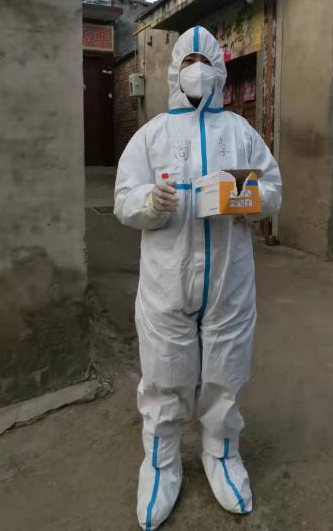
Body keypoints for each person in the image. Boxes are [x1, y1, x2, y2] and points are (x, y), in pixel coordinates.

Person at [114, 26, 282, 530]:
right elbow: (123, 198)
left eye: (204, 62)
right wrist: (150, 201)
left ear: (219, 71)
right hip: (167, 283)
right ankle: (161, 464)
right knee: (165, 375)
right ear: (174, 72)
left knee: (226, 373)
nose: (196, 71)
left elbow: (272, 189)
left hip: (229, 281)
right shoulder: (151, 135)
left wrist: (241, 197)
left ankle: (222, 454)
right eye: (188, 62)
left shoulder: (240, 132)